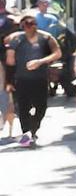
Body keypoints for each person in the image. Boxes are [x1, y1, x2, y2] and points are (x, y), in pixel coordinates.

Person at [6, 12, 62, 145]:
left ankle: (34, 128)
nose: (29, 27)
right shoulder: (17, 40)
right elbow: (10, 60)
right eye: (26, 25)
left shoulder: (46, 38)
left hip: (40, 78)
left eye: (32, 24)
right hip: (21, 79)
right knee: (22, 108)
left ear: (36, 25)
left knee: (41, 107)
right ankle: (27, 134)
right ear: (22, 26)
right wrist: (8, 81)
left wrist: (41, 61)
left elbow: (57, 53)